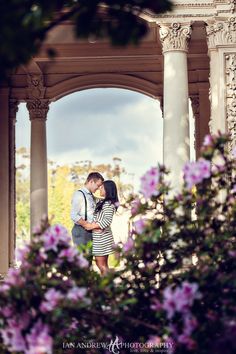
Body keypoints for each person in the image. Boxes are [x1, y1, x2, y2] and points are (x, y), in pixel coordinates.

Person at [84, 180, 119, 275]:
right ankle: (108, 286)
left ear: (108, 189)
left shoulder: (108, 204)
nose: (100, 189)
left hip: (102, 238)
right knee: (103, 265)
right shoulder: (103, 201)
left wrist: (92, 226)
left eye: (102, 187)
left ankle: (107, 286)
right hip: (101, 237)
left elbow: (107, 221)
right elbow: (93, 198)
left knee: (101, 265)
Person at [71, 172, 104, 246]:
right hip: (81, 231)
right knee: (83, 256)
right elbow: (74, 215)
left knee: (89, 256)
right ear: (91, 182)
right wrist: (87, 225)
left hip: (89, 231)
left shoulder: (91, 195)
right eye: (98, 186)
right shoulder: (79, 194)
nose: (98, 189)